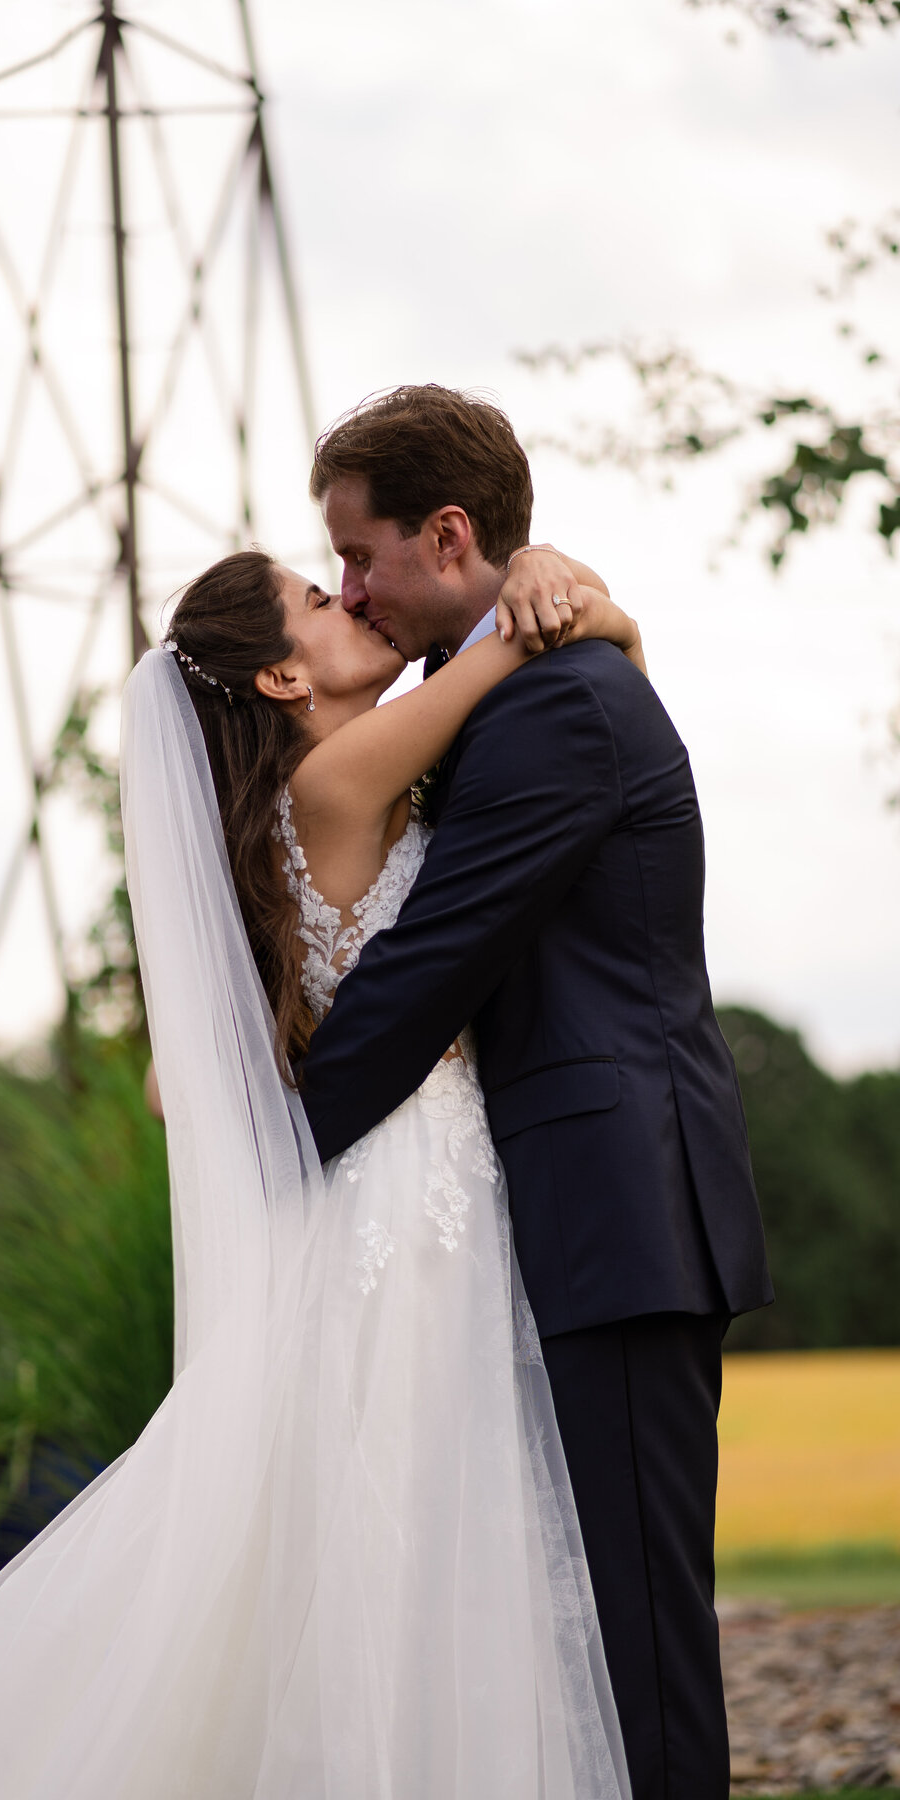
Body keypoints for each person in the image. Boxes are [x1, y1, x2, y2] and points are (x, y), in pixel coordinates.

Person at [0, 534, 644, 1798]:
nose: (347, 597)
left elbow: (174, 1080)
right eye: (315, 598)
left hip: (407, 1191)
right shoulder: (342, 778)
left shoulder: (309, 806)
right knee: (412, 1549)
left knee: (390, 1550)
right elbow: (546, 646)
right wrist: (552, 584)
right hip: (410, 1203)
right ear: (284, 683)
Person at [298, 385, 774, 1800]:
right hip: (577, 1215)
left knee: (636, 1647)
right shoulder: (520, 683)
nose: (348, 588)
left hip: (619, 1220)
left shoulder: (558, 705)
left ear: (448, 535)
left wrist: (271, 1152)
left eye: (361, 553)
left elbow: (431, 969)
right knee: (581, 1634)